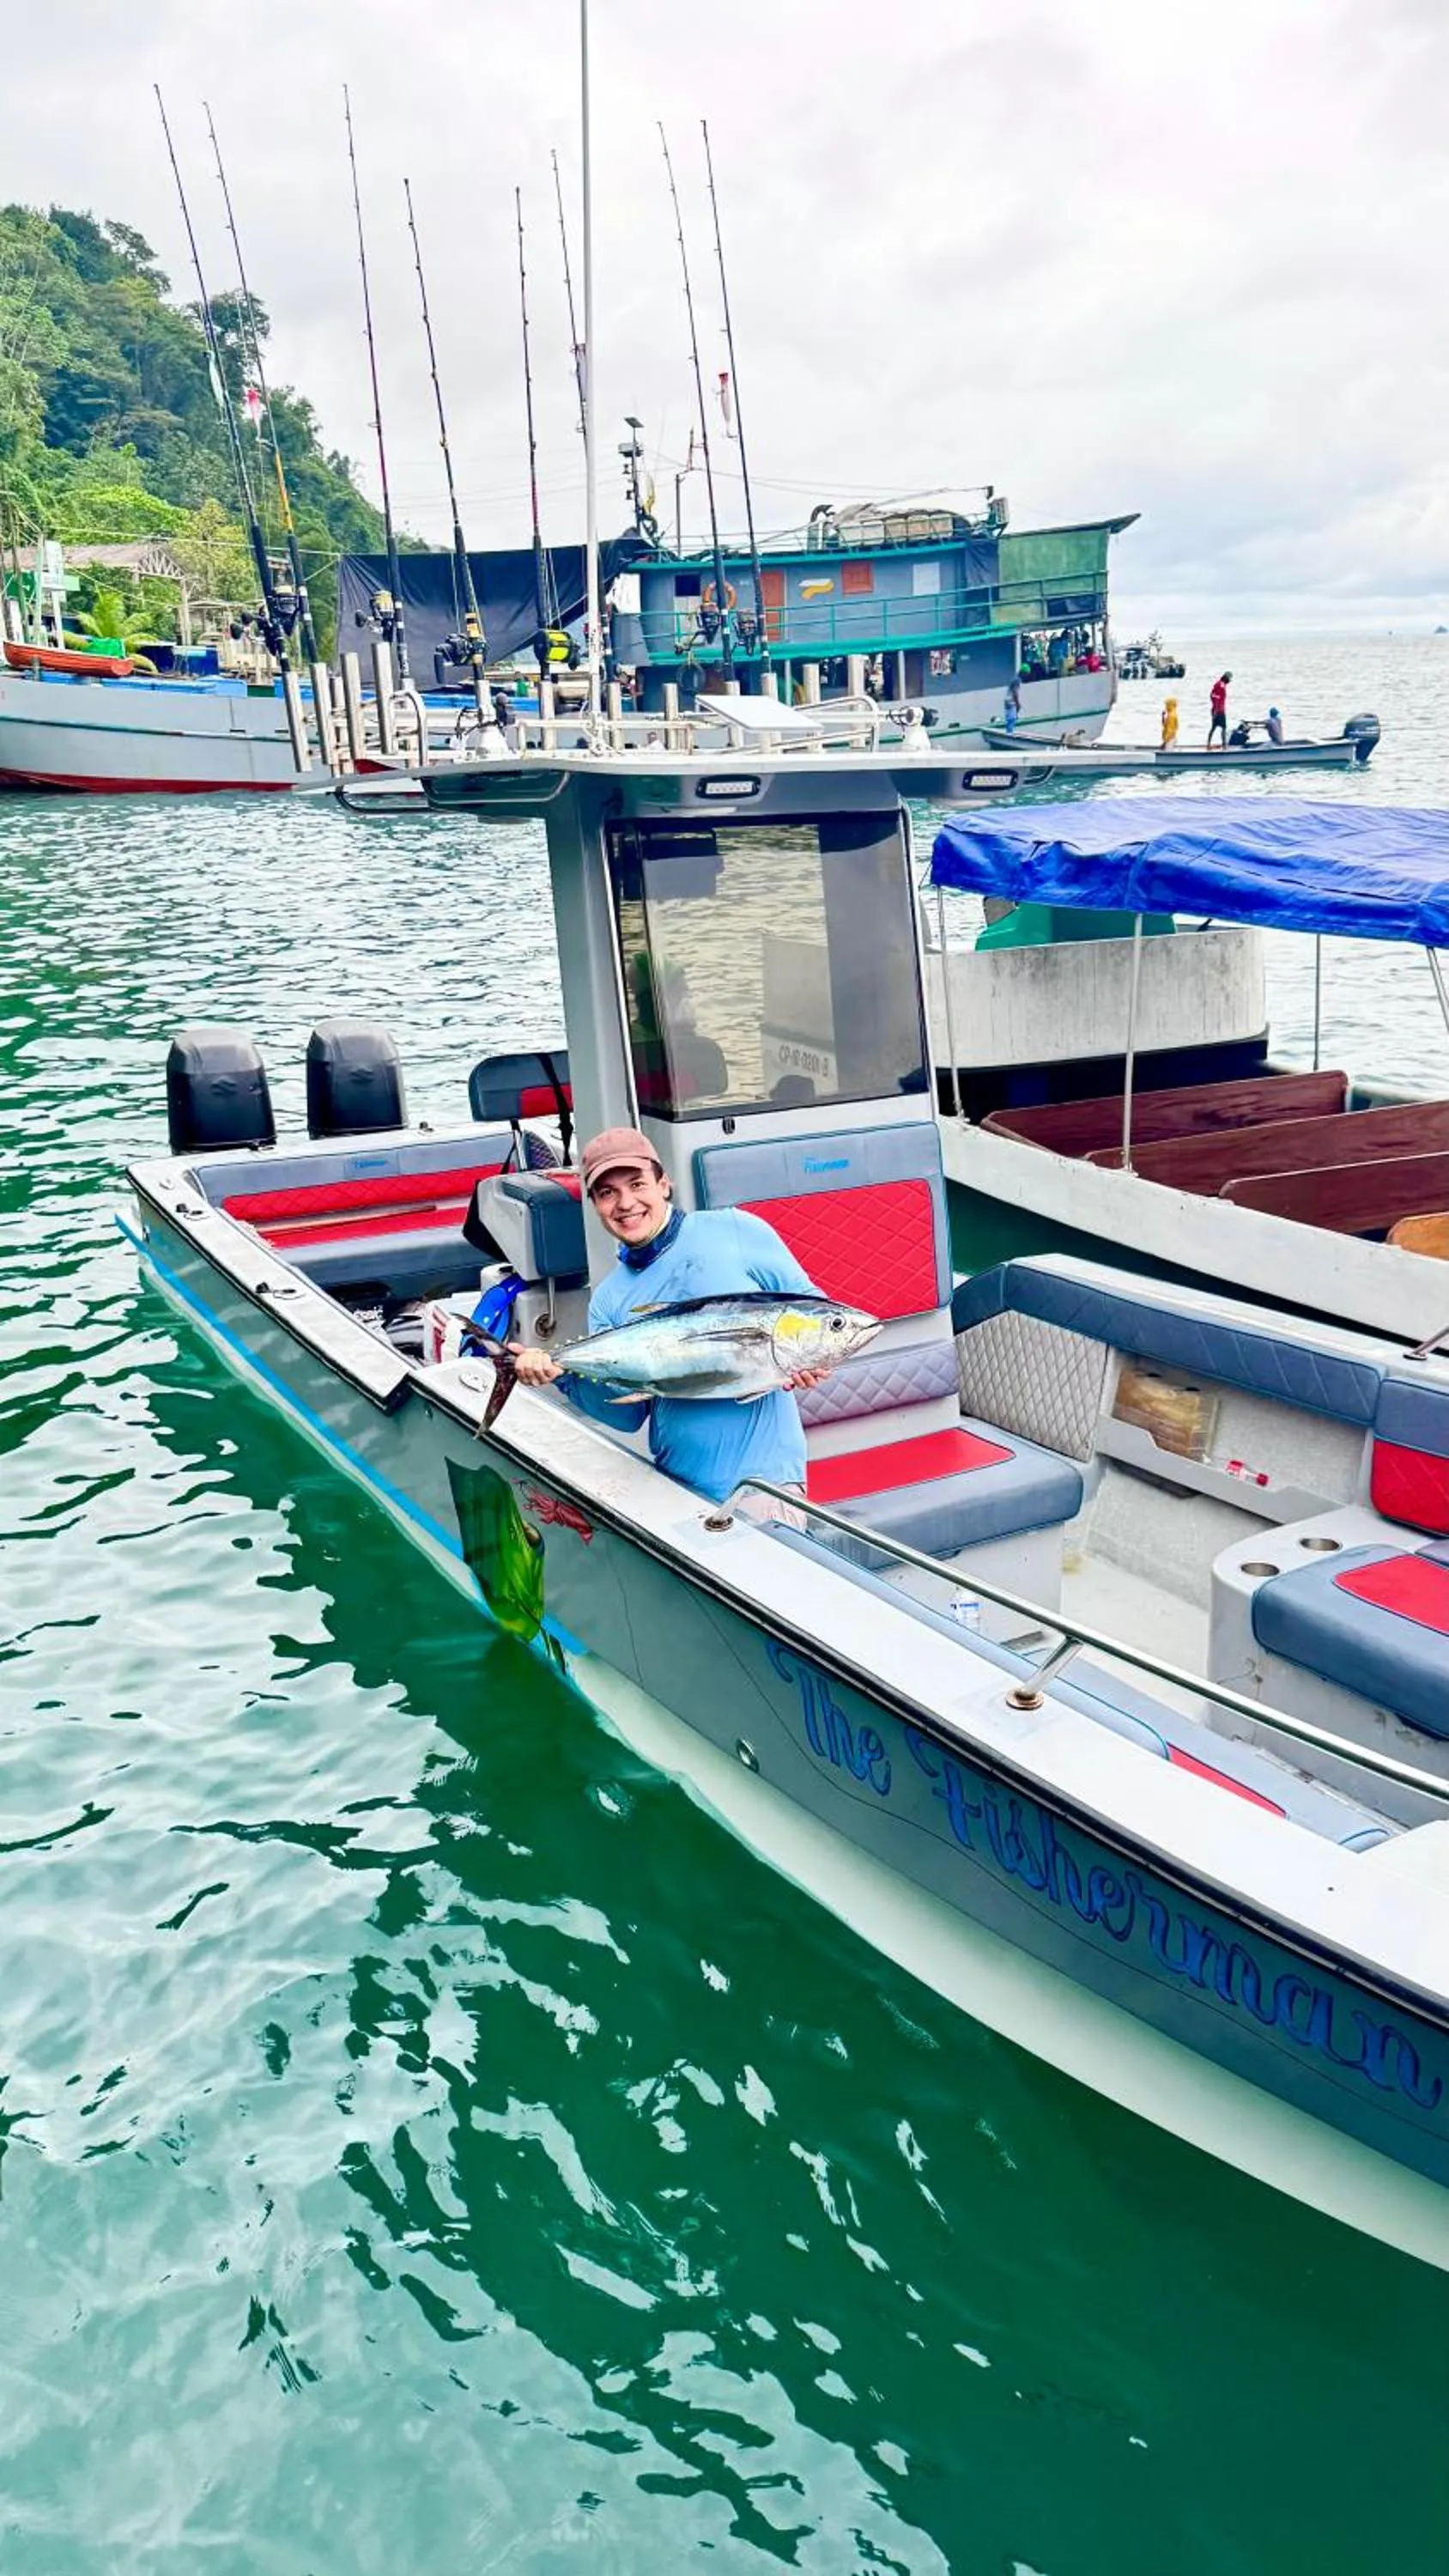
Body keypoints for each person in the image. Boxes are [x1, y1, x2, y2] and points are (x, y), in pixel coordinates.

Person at [509, 1127, 837, 1508]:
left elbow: (812, 1310)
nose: (625, 1203)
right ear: (595, 1205)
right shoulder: (609, 1299)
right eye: (607, 1193)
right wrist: (561, 1377)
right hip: (674, 1488)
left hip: (763, 1485)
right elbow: (628, 1414)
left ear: (664, 1184)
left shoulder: (736, 1229)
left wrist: (810, 1360)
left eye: (637, 1184)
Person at [1207, 670, 1232, 748]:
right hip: (1219, 711)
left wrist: (1214, 709)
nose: (1229, 681)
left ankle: (1208, 743)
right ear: (1226, 678)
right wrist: (1217, 711)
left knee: (1213, 727)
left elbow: (1212, 696)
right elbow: (1218, 698)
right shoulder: (1221, 686)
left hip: (1216, 709)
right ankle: (1224, 745)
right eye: (1229, 679)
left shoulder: (1218, 684)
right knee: (1224, 727)